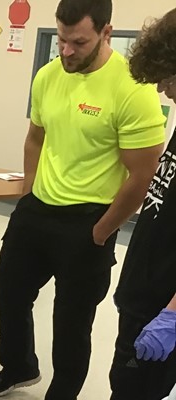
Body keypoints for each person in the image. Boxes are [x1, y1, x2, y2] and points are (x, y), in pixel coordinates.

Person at [0, 0, 168, 398]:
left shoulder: (133, 88)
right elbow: (35, 138)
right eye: (61, 39)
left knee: (70, 325)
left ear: (106, 33)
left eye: (78, 42)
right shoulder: (48, 76)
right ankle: (18, 366)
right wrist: (29, 193)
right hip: (37, 210)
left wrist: (101, 232)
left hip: (89, 221)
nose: (66, 50)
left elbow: (143, 174)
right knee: (11, 298)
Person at [109, 7, 176, 399]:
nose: (162, 89)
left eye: (169, 77)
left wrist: (172, 314)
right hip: (142, 298)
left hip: (162, 311)